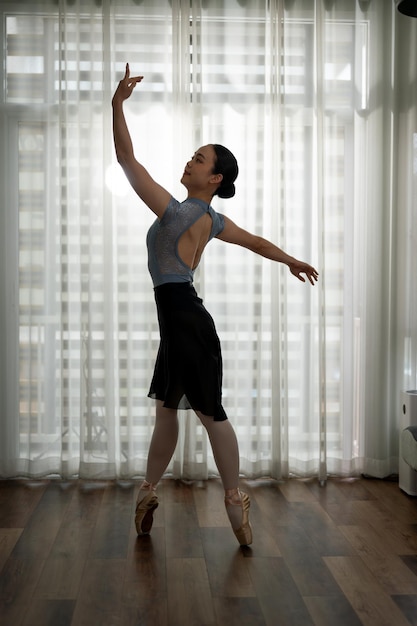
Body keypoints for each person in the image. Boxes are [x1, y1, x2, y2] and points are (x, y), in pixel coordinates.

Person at [112, 64, 319, 546]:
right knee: (170, 412)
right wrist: (290, 260)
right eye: (191, 156)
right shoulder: (212, 217)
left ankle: (233, 501)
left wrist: (117, 106)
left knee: (209, 414)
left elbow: (127, 160)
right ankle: (151, 494)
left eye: (199, 159)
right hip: (180, 320)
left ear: (215, 176)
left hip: (184, 318)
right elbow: (258, 243)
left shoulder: (178, 210)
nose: (189, 162)